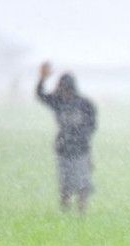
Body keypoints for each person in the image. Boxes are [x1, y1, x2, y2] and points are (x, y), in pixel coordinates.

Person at [35, 61, 97, 214]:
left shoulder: (84, 104)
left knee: (82, 186)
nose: (63, 92)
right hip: (64, 149)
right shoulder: (59, 101)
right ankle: (66, 212)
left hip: (80, 149)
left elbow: (92, 126)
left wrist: (80, 137)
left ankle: (81, 213)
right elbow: (41, 95)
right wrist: (42, 79)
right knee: (65, 185)